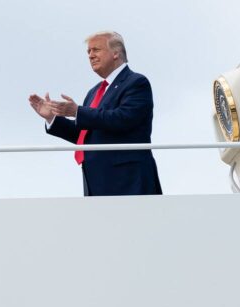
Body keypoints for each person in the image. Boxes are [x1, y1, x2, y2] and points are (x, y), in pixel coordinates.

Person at [29, 31, 162, 196]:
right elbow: (84, 135)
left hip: (128, 180)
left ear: (116, 53)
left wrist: (77, 111)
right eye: (88, 52)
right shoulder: (93, 92)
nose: (91, 56)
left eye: (96, 50)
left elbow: (123, 119)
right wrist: (52, 118)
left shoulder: (136, 82)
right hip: (96, 182)